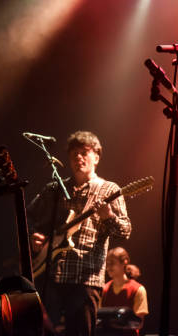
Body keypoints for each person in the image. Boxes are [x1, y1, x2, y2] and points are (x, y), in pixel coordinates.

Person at [28, 131, 132, 336]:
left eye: (84, 152)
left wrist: (108, 216)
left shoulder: (109, 189)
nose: (78, 157)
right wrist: (34, 235)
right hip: (50, 276)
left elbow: (125, 231)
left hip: (85, 280)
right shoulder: (55, 189)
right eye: (74, 153)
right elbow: (28, 215)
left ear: (97, 156)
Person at [100, 247, 149, 335]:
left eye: (112, 263)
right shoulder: (104, 289)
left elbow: (139, 323)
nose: (108, 267)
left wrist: (115, 325)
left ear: (124, 262)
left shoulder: (138, 289)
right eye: (107, 264)